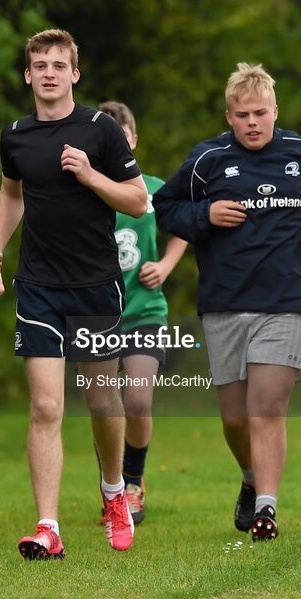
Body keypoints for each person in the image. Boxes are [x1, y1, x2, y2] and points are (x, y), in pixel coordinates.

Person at [154, 62, 301, 543]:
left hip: (287, 300)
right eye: (242, 115)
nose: (252, 123)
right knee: (235, 418)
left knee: (266, 408)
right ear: (229, 116)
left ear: (274, 111)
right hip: (224, 301)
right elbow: (165, 208)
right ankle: (249, 477)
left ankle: (267, 509)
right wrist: (205, 213)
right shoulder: (208, 160)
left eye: (260, 113)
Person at [0, 29, 148, 560]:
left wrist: (91, 175)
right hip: (38, 287)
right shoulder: (15, 136)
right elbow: (11, 195)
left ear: (75, 73)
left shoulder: (100, 129)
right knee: (46, 405)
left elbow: (139, 201)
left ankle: (115, 491)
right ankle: (48, 526)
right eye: (39, 65)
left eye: (59, 64)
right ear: (28, 75)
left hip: (96, 286)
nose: (49, 72)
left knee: (101, 399)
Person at [98, 100, 189, 525]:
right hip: (97, 315)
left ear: (133, 140)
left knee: (136, 398)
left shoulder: (153, 188)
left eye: (123, 136)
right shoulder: (85, 192)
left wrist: (166, 265)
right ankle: (111, 487)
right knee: (104, 406)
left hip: (145, 311)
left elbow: (184, 228)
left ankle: (133, 482)